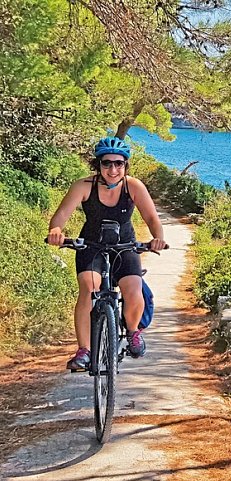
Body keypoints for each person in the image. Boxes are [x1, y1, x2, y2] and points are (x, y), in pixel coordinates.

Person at [47, 137, 167, 370]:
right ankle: (84, 350)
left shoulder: (134, 187)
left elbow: (152, 217)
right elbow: (61, 214)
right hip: (91, 246)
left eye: (119, 164)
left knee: (133, 289)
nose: (113, 169)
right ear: (98, 164)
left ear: (126, 165)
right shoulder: (83, 186)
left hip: (125, 246)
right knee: (88, 289)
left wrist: (157, 238)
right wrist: (56, 230)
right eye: (107, 163)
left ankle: (133, 332)